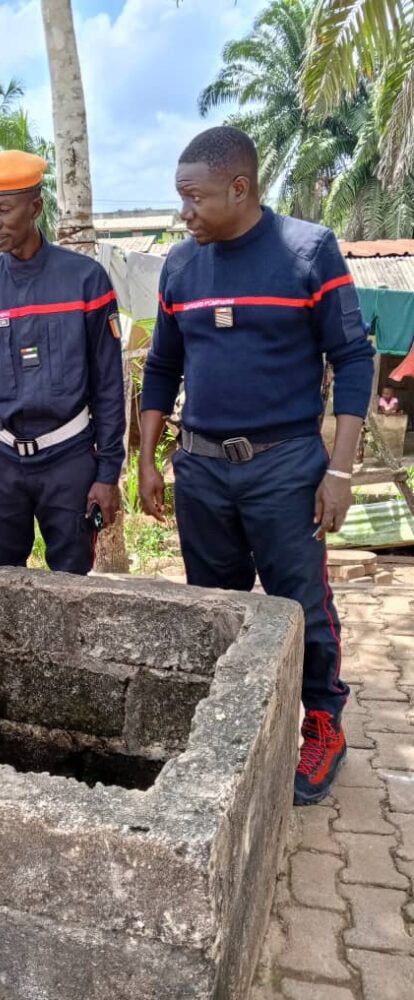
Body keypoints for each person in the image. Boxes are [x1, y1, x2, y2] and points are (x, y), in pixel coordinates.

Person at [139, 127, 374, 806]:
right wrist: (151, 461)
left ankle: (323, 723)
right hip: (203, 471)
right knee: (217, 612)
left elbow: (353, 359)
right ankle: (233, 734)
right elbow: (162, 366)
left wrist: (341, 470)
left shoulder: (308, 251)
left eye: (194, 197)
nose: (184, 211)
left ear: (239, 189)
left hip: (286, 468)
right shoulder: (181, 267)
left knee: (301, 605)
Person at [0, 150, 125, 574]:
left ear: (35, 207)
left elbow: (109, 388)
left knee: (72, 581)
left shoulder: (86, 282)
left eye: (2, 209)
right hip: (0, 462)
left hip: (70, 459)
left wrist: (107, 474)